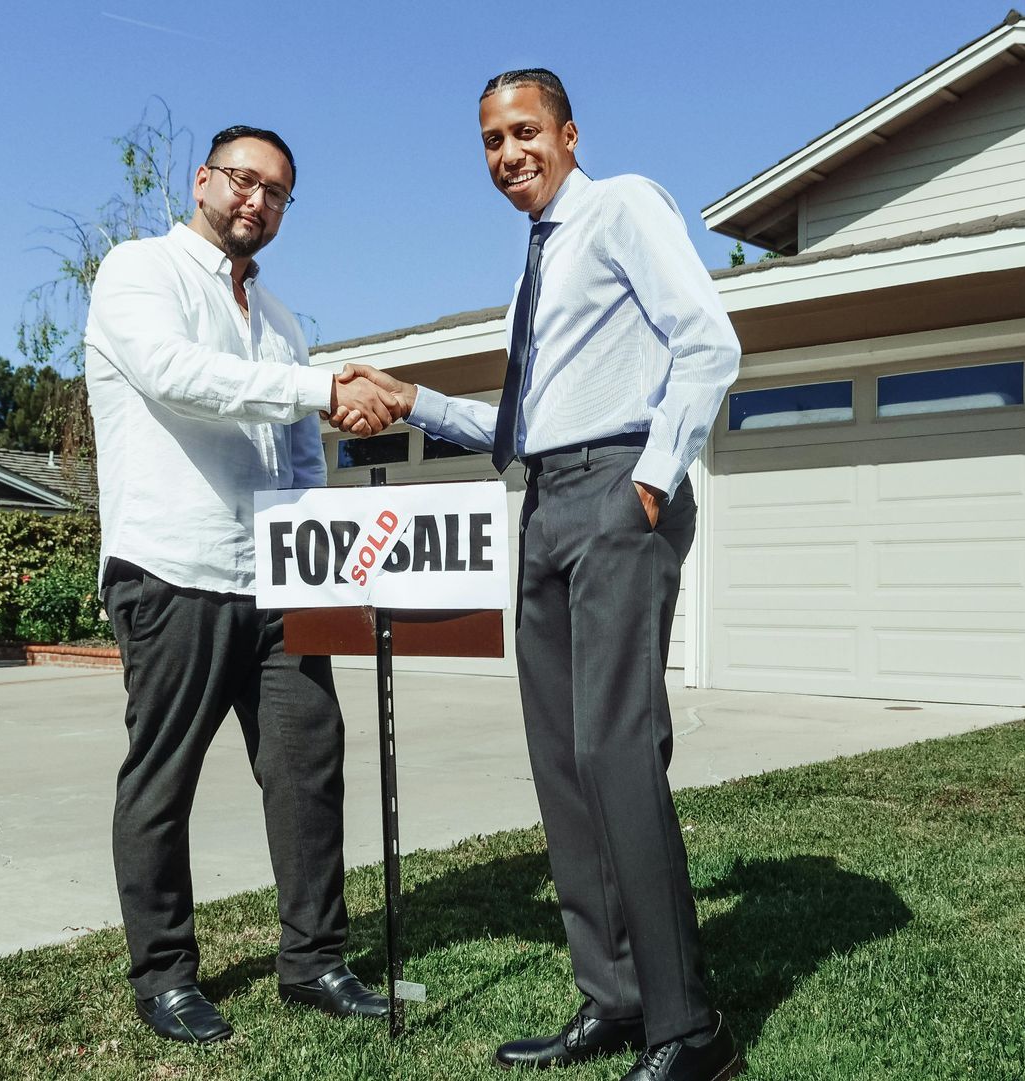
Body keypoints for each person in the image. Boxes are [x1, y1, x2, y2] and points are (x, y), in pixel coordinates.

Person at [333, 70, 743, 1081]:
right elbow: (524, 427)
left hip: (616, 489)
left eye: (525, 131)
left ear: (568, 133)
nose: (509, 153)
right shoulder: (537, 264)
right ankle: (615, 996)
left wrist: (651, 482)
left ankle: (691, 1028)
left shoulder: (621, 206)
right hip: (548, 497)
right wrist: (415, 401)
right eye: (491, 140)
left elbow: (709, 345)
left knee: (615, 747)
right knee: (562, 760)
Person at [84, 123, 399, 1044]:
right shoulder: (138, 272)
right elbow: (176, 376)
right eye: (242, 179)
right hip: (171, 567)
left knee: (308, 764)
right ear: (202, 181)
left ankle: (314, 959)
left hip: (276, 579)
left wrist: (319, 564)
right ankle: (164, 975)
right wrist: (320, 387)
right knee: (163, 776)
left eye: (277, 192)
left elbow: (300, 458)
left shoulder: (282, 322)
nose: (256, 200)